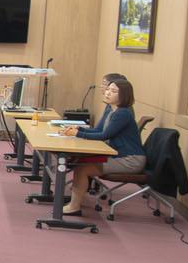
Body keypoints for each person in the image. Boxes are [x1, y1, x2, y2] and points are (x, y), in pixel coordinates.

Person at [61, 77, 146, 216]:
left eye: (113, 91)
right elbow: (99, 131)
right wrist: (79, 129)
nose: (108, 93)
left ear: (124, 95)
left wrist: (78, 134)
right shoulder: (113, 110)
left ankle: (74, 206)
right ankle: (74, 204)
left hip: (130, 160)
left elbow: (104, 135)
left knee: (82, 170)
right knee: (80, 167)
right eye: (108, 89)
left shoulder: (123, 113)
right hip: (120, 157)